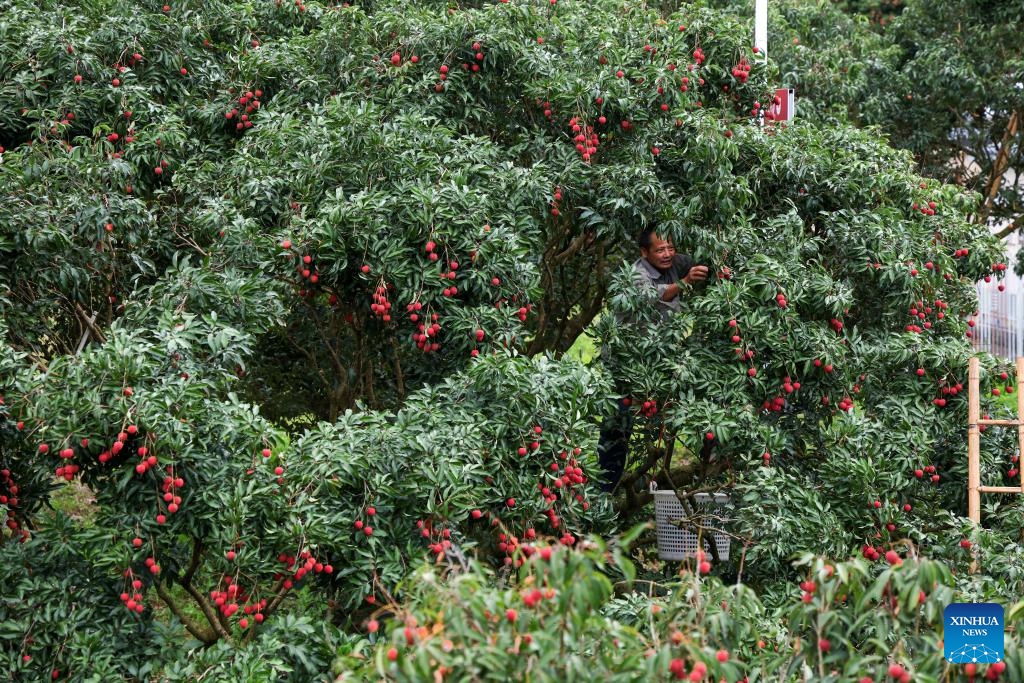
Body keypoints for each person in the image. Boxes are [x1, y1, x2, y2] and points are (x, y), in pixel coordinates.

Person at [598, 228, 709, 492]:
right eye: (660, 249)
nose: (667, 254)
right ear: (644, 252)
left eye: (671, 247)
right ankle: (604, 492)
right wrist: (685, 282)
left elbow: (702, 259)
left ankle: (656, 476)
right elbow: (652, 297)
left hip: (655, 362)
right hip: (624, 363)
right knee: (617, 427)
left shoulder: (675, 261)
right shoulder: (637, 275)